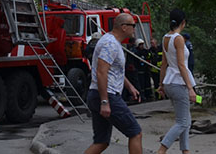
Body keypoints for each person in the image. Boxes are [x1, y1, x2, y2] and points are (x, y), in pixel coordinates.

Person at [84, 15, 143, 154]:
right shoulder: (110, 44)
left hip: (99, 94)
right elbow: (101, 72)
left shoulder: (113, 42)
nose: (134, 29)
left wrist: (130, 87)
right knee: (135, 133)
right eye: (133, 26)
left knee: (101, 142)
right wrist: (104, 101)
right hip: (107, 96)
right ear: (124, 27)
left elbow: (114, 71)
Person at [157, 9, 197, 154]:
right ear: (183, 22)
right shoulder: (178, 38)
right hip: (178, 83)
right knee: (182, 122)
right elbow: (181, 65)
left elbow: (163, 64)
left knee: (186, 118)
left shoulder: (165, 38)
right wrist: (190, 88)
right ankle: (161, 150)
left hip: (169, 82)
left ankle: (185, 150)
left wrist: (161, 84)